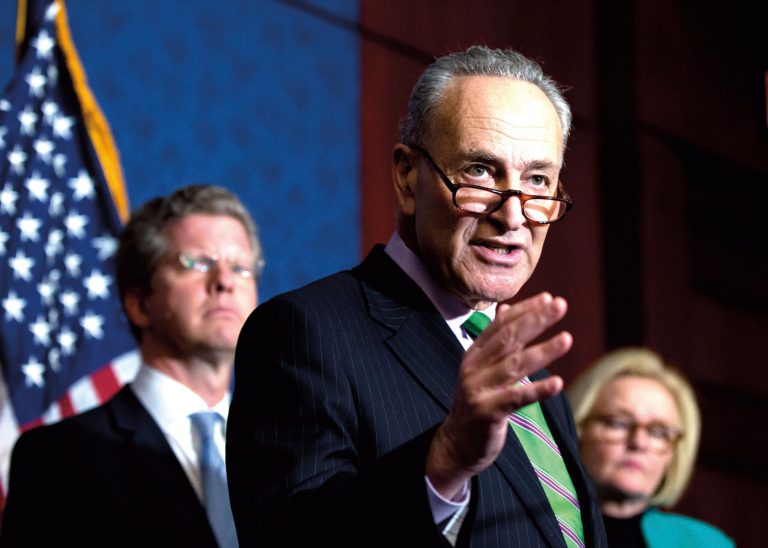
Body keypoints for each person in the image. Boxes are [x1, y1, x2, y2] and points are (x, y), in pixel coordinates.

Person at [227, 45, 607, 547]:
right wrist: (444, 460)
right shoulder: (305, 333)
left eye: (538, 181)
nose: (513, 217)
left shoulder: (528, 375)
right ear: (408, 178)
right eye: (479, 172)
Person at [0, 184, 262, 548]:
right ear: (139, 303)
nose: (225, 281)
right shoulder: (58, 457)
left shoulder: (284, 449)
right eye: (196, 262)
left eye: (240, 268)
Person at [567, 347, 735, 547]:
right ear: (578, 428)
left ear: (674, 453)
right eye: (618, 423)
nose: (639, 443)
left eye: (658, 432)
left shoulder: (708, 543)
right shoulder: (529, 527)